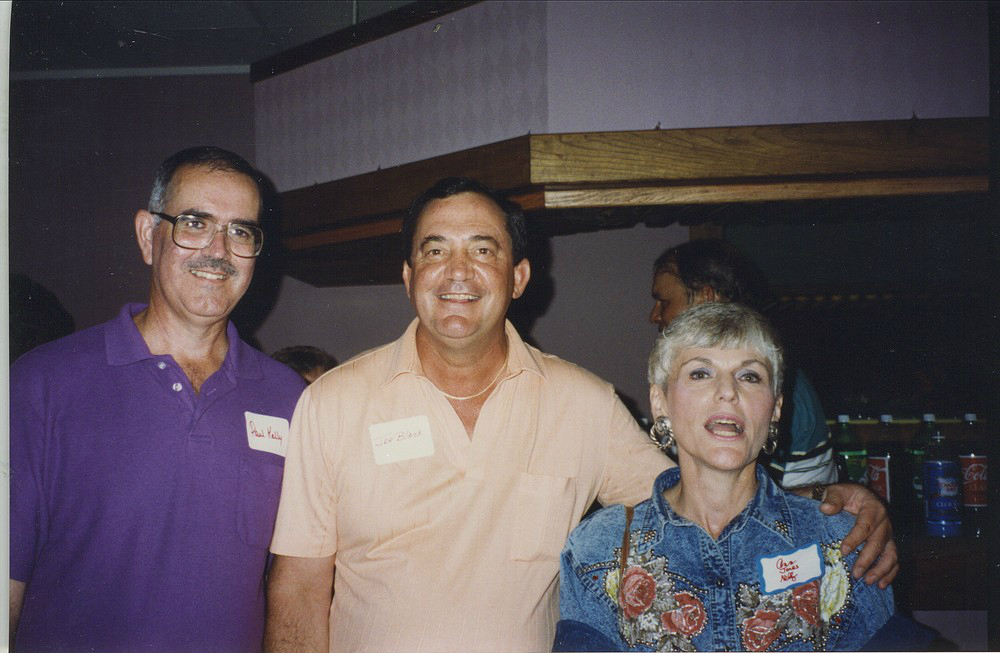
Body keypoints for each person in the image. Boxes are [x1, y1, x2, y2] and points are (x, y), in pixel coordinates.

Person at [264, 178, 894, 653]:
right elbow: (297, 588)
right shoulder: (332, 403)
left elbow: (699, 497)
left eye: (483, 249)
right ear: (409, 275)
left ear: (518, 277)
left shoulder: (583, 403)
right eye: (435, 251)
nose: (457, 272)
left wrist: (826, 502)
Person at [9, 147, 307, 652]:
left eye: (240, 231)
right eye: (195, 223)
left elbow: (293, 585)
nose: (219, 249)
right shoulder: (43, 383)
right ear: (149, 236)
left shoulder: (291, 399)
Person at [557, 303, 894, 651]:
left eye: (750, 376)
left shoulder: (841, 542)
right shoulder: (599, 549)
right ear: (660, 402)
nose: (728, 391)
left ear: (776, 408)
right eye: (701, 373)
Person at [649, 239, 837, 488]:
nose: (654, 316)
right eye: (700, 374)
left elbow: (750, 501)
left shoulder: (787, 391)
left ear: (705, 297)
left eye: (664, 302)